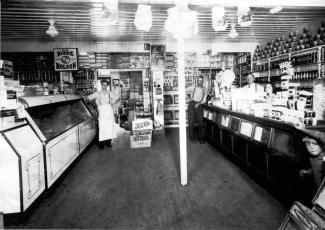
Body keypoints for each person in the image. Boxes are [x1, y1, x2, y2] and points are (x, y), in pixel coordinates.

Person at [88, 79, 119, 149]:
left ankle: (108, 142)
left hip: (109, 111)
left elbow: (118, 98)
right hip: (102, 111)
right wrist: (95, 105)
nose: (104, 86)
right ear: (101, 85)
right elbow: (88, 98)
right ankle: (101, 144)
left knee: (109, 127)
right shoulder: (97, 93)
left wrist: (114, 103)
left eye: (105, 85)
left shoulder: (110, 93)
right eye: (103, 85)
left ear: (107, 86)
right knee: (102, 127)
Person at [188, 76, 206, 143]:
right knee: (191, 122)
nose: (200, 82)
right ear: (197, 81)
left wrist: (199, 103)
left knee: (201, 122)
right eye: (199, 80)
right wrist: (189, 98)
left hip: (199, 105)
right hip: (192, 104)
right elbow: (185, 90)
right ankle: (191, 138)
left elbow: (204, 99)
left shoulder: (204, 89)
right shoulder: (193, 87)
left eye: (201, 80)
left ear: (202, 81)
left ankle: (201, 138)